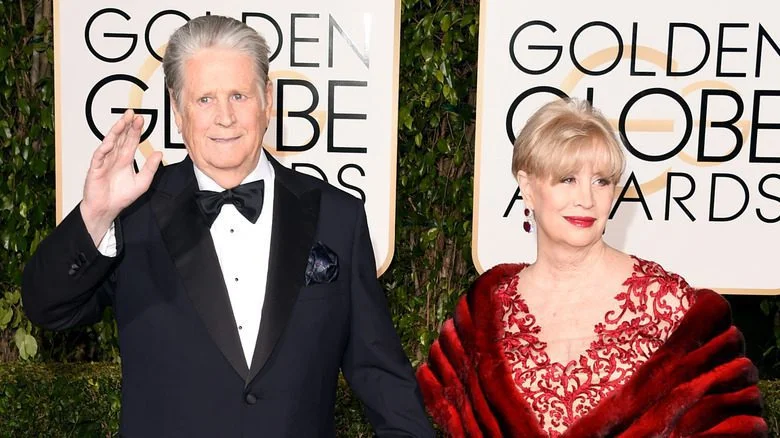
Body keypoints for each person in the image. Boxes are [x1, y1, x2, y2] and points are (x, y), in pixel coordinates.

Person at [22, 15, 433, 438]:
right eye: (204, 99)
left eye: (239, 95)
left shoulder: (337, 215)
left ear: (267, 100)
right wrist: (96, 214)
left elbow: (382, 376)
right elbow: (47, 307)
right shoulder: (133, 214)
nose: (225, 117)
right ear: (177, 109)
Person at [416, 99, 767, 437]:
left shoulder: (666, 304)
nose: (586, 199)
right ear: (527, 188)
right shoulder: (486, 312)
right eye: (567, 179)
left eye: (601, 181)